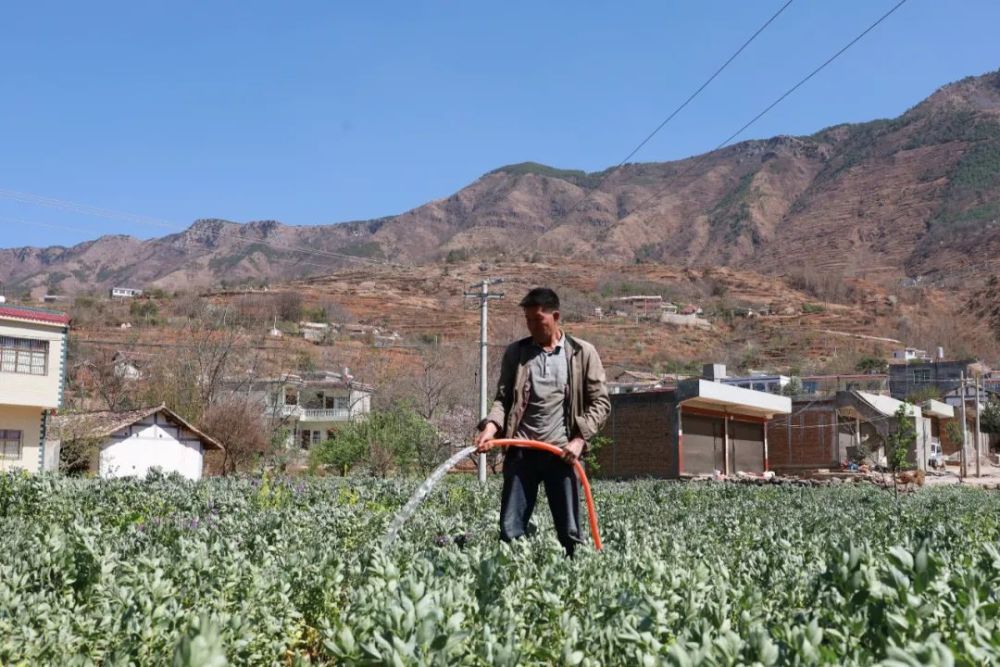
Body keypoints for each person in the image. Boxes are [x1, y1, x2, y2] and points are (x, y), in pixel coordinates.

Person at [475, 287, 610, 556]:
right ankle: (511, 583)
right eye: (528, 320)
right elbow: (503, 400)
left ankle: (576, 586)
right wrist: (490, 428)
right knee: (510, 528)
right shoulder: (517, 353)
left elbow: (601, 404)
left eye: (538, 320)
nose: (533, 326)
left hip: (563, 454)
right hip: (522, 451)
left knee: (570, 532)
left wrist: (579, 441)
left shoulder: (581, 353)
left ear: (555, 316)